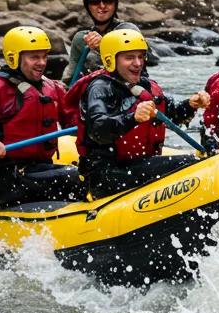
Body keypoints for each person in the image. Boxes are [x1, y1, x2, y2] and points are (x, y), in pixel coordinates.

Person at [64, 27, 210, 199]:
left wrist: (191, 104)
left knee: (196, 162)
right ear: (111, 60)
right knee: (190, 164)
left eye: (140, 56)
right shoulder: (100, 88)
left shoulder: (147, 86)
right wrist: (132, 118)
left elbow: (172, 115)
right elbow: (98, 130)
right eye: (129, 57)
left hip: (135, 165)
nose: (138, 63)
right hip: (107, 174)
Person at [0, 25, 79, 208]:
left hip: (42, 169)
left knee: (89, 173)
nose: (42, 63)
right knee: (75, 177)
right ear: (14, 58)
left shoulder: (52, 87)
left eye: (44, 56)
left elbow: (74, 122)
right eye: (34, 57)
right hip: (9, 178)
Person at [63, 0, 142, 82]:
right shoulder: (81, 39)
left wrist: (103, 46)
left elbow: (139, 66)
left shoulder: (129, 31)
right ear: (88, 6)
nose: (102, 6)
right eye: (95, 2)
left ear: (115, 4)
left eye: (108, 0)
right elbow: (70, 76)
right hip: (93, 93)